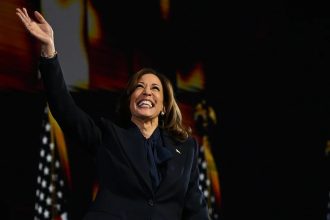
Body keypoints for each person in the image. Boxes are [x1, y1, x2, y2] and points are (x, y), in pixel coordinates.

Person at [16, 7, 210, 220]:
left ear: (164, 107)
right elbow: (65, 110)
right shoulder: (109, 136)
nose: (146, 91)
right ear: (130, 102)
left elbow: (196, 210)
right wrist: (49, 50)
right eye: (139, 87)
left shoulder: (186, 148)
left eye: (155, 88)